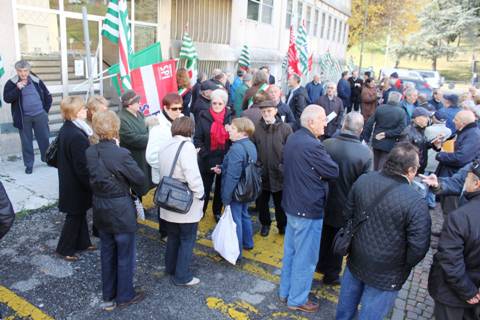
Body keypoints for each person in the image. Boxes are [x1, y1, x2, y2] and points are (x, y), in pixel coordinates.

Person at [335, 142, 431, 320]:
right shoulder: (415, 202)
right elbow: (418, 247)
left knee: (345, 310)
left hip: (356, 259)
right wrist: (401, 266)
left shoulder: (364, 180)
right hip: (387, 273)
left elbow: (347, 213)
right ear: (410, 170)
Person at [279, 105, 339, 312]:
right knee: (305, 258)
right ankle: (297, 299)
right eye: (322, 119)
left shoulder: (294, 138)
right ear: (311, 122)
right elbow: (333, 170)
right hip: (308, 208)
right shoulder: (313, 145)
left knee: (291, 253)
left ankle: (285, 292)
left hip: (292, 205)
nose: (326, 122)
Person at [85, 110, 146, 311]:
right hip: (120, 207)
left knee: (107, 252)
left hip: (101, 206)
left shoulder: (90, 152)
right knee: (125, 254)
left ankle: (108, 294)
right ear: (115, 129)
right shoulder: (121, 154)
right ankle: (125, 295)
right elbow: (139, 179)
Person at [317, 112, 372, 285]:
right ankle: (331, 274)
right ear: (361, 130)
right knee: (338, 238)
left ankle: (320, 264)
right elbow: (365, 185)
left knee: (323, 235)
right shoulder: (365, 153)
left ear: (343, 125)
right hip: (346, 203)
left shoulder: (327, 144)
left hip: (322, 199)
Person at [154, 117, 205, 286]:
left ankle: (170, 267)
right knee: (187, 238)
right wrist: (200, 194)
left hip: (167, 199)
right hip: (183, 201)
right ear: (190, 130)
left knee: (173, 236)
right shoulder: (187, 147)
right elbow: (193, 176)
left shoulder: (166, 145)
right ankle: (182, 276)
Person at [428, 163, 480, 320]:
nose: (465, 182)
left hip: (453, 296)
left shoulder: (459, 217)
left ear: (477, 184)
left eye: (467, 179)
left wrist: (468, 291)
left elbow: (451, 260)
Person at [212, 117, 257, 258]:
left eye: (233, 128)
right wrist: (222, 167)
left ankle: (236, 253)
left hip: (236, 192)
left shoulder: (236, 148)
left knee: (234, 221)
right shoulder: (249, 144)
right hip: (246, 189)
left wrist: (225, 198)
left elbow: (232, 176)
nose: (229, 129)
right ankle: (248, 242)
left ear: (242, 133)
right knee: (244, 215)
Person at [56, 96, 94, 261]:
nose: (86, 110)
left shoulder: (68, 128)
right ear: (76, 112)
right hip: (75, 184)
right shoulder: (77, 135)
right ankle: (64, 249)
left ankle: (83, 242)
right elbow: (82, 167)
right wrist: (91, 184)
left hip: (69, 180)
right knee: (74, 215)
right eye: (83, 108)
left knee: (79, 213)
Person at [146, 93, 184, 241]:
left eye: (180, 108)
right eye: (174, 109)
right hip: (165, 174)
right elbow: (151, 156)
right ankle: (165, 233)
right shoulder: (159, 128)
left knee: (174, 203)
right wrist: (169, 166)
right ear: (165, 108)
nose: (178, 111)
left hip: (178, 173)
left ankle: (172, 230)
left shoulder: (180, 120)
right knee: (165, 203)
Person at [251, 100, 293, 237]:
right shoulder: (256, 128)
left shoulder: (285, 128)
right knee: (262, 203)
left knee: (280, 204)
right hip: (262, 173)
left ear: (275, 111)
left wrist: (284, 166)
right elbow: (252, 149)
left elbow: (291, 150)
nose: (266, 114)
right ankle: (265, 224)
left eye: (269, 111)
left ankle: (282, 225)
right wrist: (257, 165)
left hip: (279, 173)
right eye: (263, 112)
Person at [3, 60, 52, 174]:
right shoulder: (12, 83)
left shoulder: (36, 80)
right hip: (24, 118)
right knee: (26, 143)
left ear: (29, 70)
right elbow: (7, 98)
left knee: (44, 139)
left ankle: (47, 159)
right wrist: (17, 89)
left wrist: (45, 112)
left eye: (25, 71)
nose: (23, 74)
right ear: (17, 71)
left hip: (40, 115)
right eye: (20, 71)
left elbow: (48, 96)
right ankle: (29, 165)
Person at [194, 89, 232, 222]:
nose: (216, 106)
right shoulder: (203, 116)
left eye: (219, 104)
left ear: (224, 104)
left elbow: (234, 139)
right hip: (207, 159)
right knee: (204, 187)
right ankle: (201, 211)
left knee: (220, 189)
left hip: (223, 159)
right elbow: (197, 139)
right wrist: (205, 155)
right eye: (214, 103)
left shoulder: (230, 118)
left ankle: (217, 211)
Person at [435, 110, 480, 214]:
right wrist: (439, 146)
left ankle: (449, 229)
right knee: (447, 208)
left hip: (455, 177)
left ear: (463, 123)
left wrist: (440, 155)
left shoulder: (473, 135)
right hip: (451, 175)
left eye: (456, 119)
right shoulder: (466, 132)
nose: (453, 121)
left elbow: (461, 158)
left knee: (451, 211)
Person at [362, 91, 407, 170]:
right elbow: (401, 128)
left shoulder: (380, 108)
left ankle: (374, 176)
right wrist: (387, 134)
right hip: (389, 141)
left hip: (377, 139)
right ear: (399, 100)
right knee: (382, 163)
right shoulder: (401, 112)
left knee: (375, 162)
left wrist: (366, 138)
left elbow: (369, 123)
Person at [118, 90, 151, 197]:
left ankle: (140, 209)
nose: (140, 103)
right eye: (137, 102)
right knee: (134, 185)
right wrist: (151, 137)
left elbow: (146, 128)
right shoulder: (121, 118)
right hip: (133, 157)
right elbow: (132, 139)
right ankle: (135, 209)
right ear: (129, 104)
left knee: (143, 181)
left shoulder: (139, 114)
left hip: (143, 156)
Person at [400, 107, 438, 175]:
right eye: (425, 117)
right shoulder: (408, 132)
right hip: (410, 170)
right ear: (417, 119)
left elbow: (422, 145)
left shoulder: (421, 129)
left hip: (418, 168)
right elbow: (403, 153)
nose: (428, 119)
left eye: (428, 117)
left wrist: (434, 143)